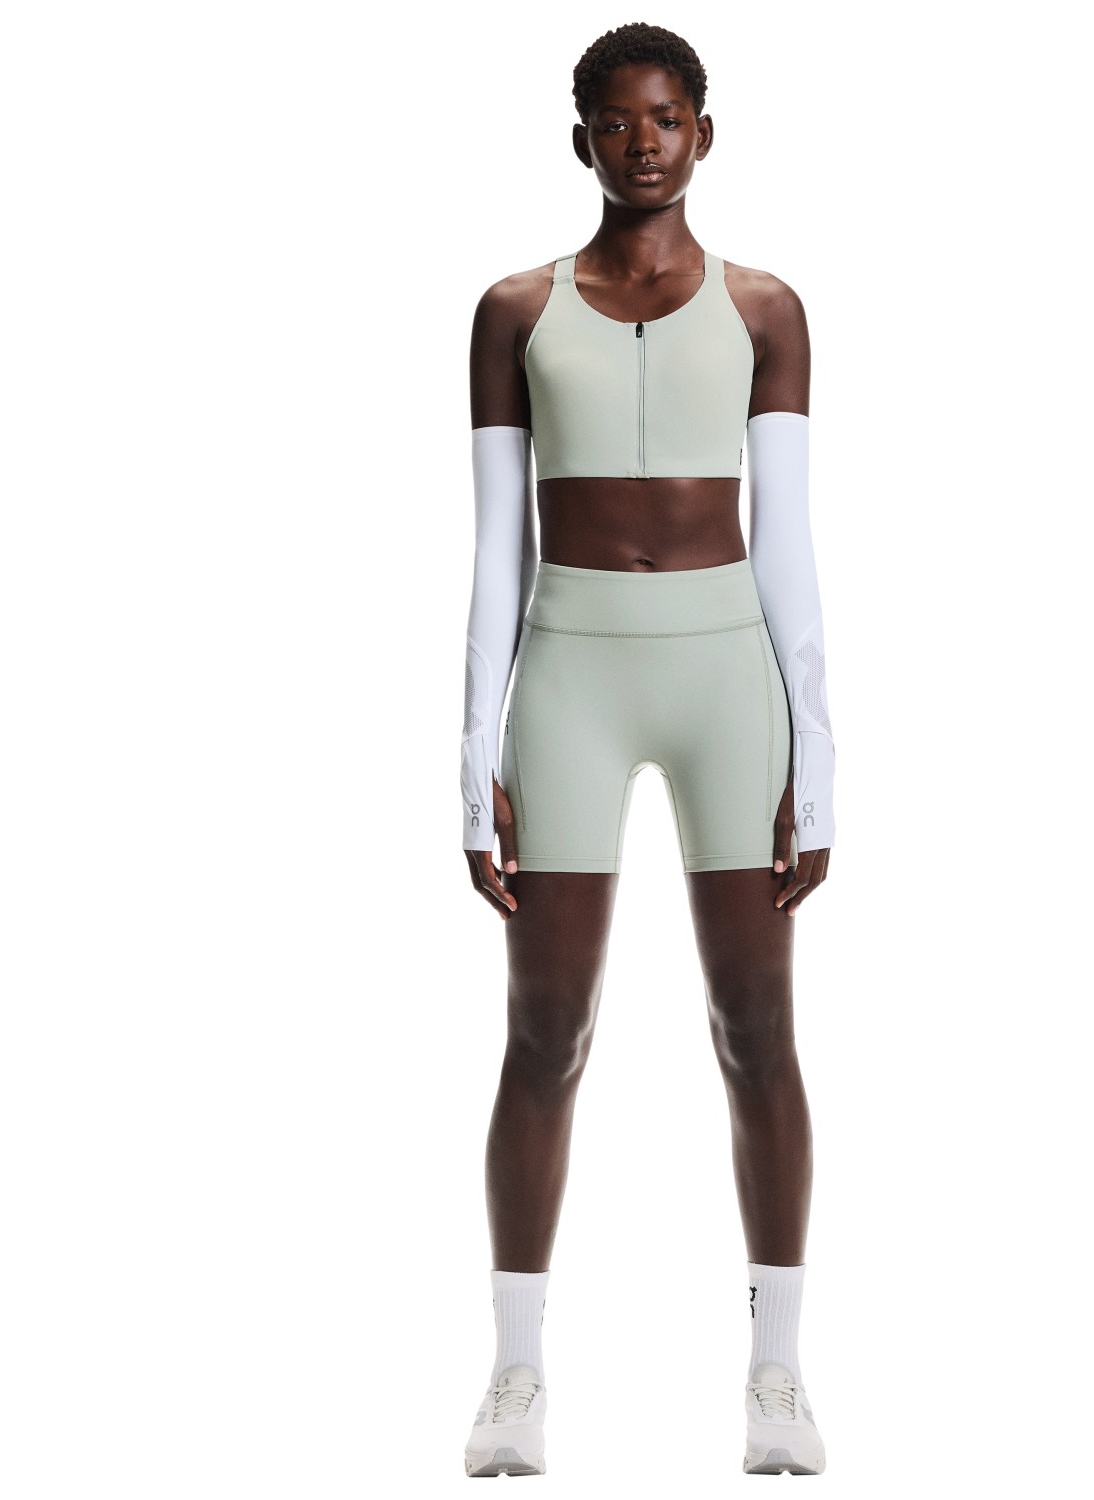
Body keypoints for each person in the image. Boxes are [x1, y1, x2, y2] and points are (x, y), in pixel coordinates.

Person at [458, 22, 836, 1478]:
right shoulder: (513, 311)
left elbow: (787, 542)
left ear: (704, 132)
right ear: (583, 141)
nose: (644, 144)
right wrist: (471, 749)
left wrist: (819, 749)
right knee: (546, 1030)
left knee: (756, 1026)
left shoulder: (765, 309)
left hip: (725, 673)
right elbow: (498, 547)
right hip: (571, 672)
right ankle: (515, 1374)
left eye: (667, 118)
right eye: (616, 123)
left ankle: (777, 1373)